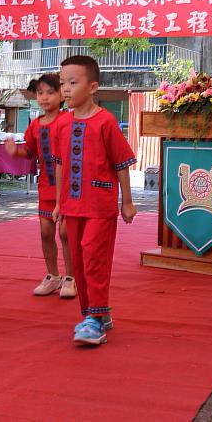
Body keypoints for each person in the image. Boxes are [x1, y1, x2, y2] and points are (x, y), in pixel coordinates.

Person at [53, 55, 137, 346]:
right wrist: (57, 203)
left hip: (100, 203)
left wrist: (127, 201)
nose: (65, 89)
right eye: (62, 83)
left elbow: (121, 162)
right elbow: (60, 164)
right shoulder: (62, 124)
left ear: (92, 87)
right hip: (72, 204)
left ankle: (95, 319)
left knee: (93, 257)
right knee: (77, 260)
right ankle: (94, 312)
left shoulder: (106, 121)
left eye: (72, 83)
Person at [5, 74, 75, 298]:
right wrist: (15, 151)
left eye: (50, 92)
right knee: (46, 232)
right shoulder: (35, 124)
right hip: (46, 185)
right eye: (40, 93)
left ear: (61, 96)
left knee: (66, 233)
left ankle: (71, 277)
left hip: (68, 188)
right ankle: (52, 275)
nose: (44, 97)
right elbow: (30, 151)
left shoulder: (68, 120)